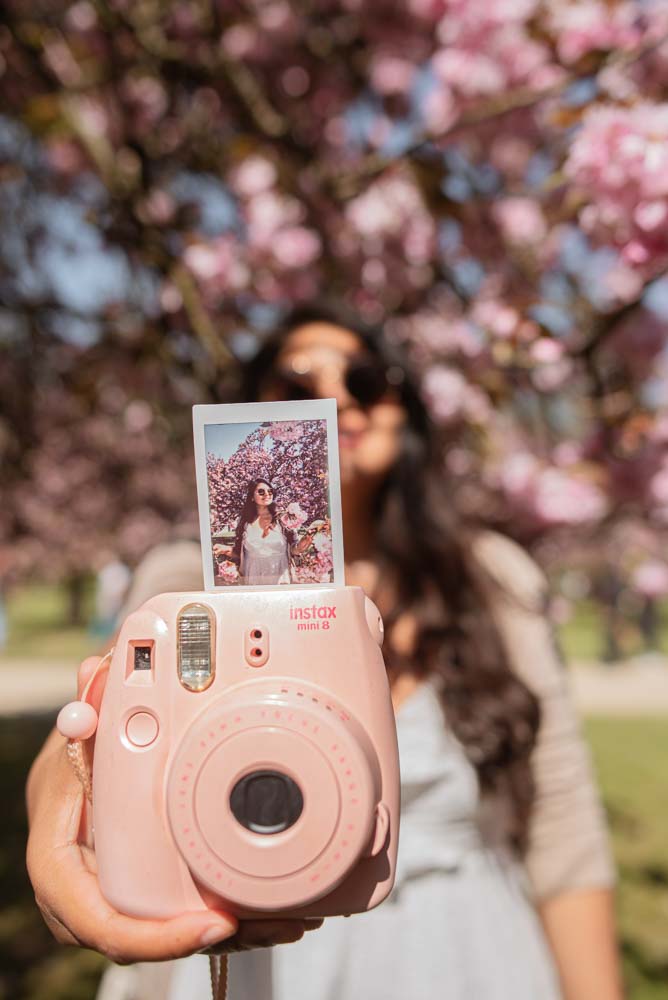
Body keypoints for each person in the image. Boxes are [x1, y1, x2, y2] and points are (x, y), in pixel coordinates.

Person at [27, 305, 622, 1000]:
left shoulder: (489, 579)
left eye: (367, 380)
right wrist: (57, 819)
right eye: (299, 378)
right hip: (243, 951)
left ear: (406, 416)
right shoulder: (187, 584)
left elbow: (563, 828)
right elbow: (83, 736)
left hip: (463, 954)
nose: (338, 397)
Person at [216, 478, 314, 585]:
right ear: (252, 497)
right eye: (261, 492)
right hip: (253, 577)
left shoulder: (282, 519)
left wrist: (300, 546)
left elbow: (293, 550)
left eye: (270, 491)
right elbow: (240, 553)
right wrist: (225, 550)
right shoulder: (244, 522)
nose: (267, 494)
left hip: (279, 577)